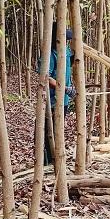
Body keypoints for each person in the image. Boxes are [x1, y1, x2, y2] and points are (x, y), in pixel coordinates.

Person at [39, 28, 75, 166]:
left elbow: (67, 67)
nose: (66, 42)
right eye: (64, 39)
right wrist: (64, 88)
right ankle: (47, 163)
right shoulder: (49, 55)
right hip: (51, 100)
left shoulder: (65, 51)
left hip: (63, 100)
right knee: (49, 132)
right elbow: (46, 77)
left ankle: (55, 160)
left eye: (67, 40)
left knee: (58, 130)